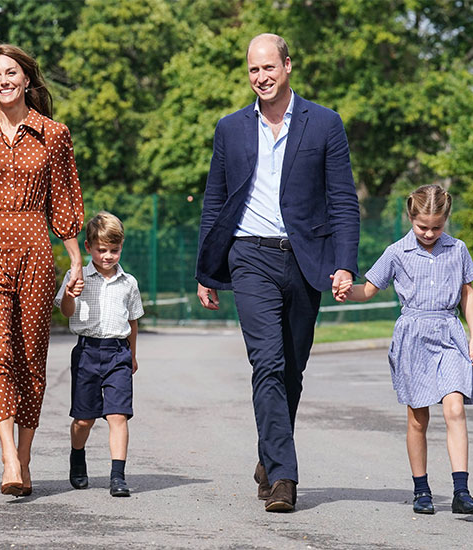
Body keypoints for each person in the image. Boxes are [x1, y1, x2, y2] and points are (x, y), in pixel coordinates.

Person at [195, 33, 360, 512]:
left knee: (291, 368)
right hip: (249, 257)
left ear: (288, 65)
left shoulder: (325, 124)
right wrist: (207, 268)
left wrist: (345, 263)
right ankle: (285, 478)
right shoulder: (230, 129)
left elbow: (343, 200)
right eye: (253, 70)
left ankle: (270, 455)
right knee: (265, 362)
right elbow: (215, 202)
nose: (261, 77)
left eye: (269, 68)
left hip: (306, 260)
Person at [0, 44, 84, 497]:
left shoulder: (55, 134)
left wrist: (76, 259)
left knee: (31, 357)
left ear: (27, 79)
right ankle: (8, 453)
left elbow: (64, 201)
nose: (3, 81)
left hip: (36, 251)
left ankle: (25, 456)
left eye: (11, 73)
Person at [336, 184, 473, 515]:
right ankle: (422, 490)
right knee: (418, 418)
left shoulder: (457, 249)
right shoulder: (395, 252)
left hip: (449, 333)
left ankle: (461, 492)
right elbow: (370, 289)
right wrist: (347, 290)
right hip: (413, 336)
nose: (430, 233)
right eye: (423, 227)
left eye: (437, 227)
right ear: (410, 217)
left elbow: (467, 293)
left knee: (455, 408)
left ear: (446, 220)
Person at [54, 211, 144, 497]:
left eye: (114, 250)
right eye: (101, 250)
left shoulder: (128, 283)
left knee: (118, 415)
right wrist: (70, 294)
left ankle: (117, 475)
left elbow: (133, 321)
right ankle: (77, 456)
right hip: (87, 352)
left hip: (117, 353)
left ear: (121, 248)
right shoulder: (76, 276)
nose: (107, 256)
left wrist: (132, 354)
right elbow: (66, 313)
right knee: (84, 419)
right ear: (89, 248)